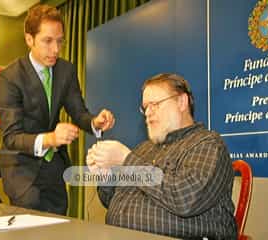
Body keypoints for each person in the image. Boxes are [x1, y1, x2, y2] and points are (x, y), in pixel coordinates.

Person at [0, 4, 114, 215]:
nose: (56, 49)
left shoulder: (66, 70)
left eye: (60, 41)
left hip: (54, 167)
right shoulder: (9, 77)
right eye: (47, 41)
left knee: (59, 226)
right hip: (21, 170)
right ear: (29, 39)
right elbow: (11, 137)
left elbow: (79, 112)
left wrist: (94, 122)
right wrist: (51, 138)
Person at [86, 73, 237, 239]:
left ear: (181, 102)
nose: (148, 113)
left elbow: (187, 199)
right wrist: (105, 176)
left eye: (155, 104)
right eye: (145, 107)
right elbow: (111, 201)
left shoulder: (207, 144)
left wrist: (127, 160)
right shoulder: (143, 149)